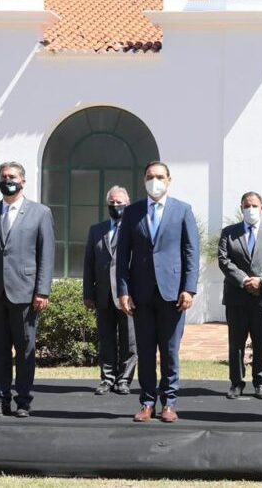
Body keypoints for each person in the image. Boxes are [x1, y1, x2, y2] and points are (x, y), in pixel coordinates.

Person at [116, 161, 199, 424]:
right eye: (150, 177)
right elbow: (122, 256)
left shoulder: (182, 210)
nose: (155, 181)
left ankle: (170, 403)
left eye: (160, 176)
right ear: (144, 180)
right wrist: (123, 291)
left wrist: (189, 288)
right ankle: (147, 402)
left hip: (172, 294)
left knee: (170, 351)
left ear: (169, 180)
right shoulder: (132, 213)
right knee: (145, 350)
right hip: (141, 294)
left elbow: (191, 253)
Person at [0, 161, 55, 418]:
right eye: (3, 176)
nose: (7, 180)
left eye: (12, 176)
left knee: (25, 349)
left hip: (26, 293)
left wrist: (42, 291)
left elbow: (46, 254)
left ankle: (23, 400)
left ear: (23, 181)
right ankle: (0, 398)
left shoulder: (40, 213)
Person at [217, 191, 262, 400]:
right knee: (236, 342)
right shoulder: (229, 232)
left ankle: (260, 382)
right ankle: (236, 382)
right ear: (241, 208)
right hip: (237, 296)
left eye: (254, 206)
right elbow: (224, 260)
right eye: (247, 206)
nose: (250, 209)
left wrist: (261, 280)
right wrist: (245, 280)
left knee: (261, 342)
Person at [83, 186, 136, 396]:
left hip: (128, 296)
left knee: (129, 341)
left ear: (128, 203)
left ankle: (124, 379)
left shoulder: (135, 229)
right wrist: (88, 293)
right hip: (103, 295)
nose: (116, 206)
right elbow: (89, 263)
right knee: (106, 340)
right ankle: (107, 379)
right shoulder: (96, 230)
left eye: (120, 202)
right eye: (112, 202)